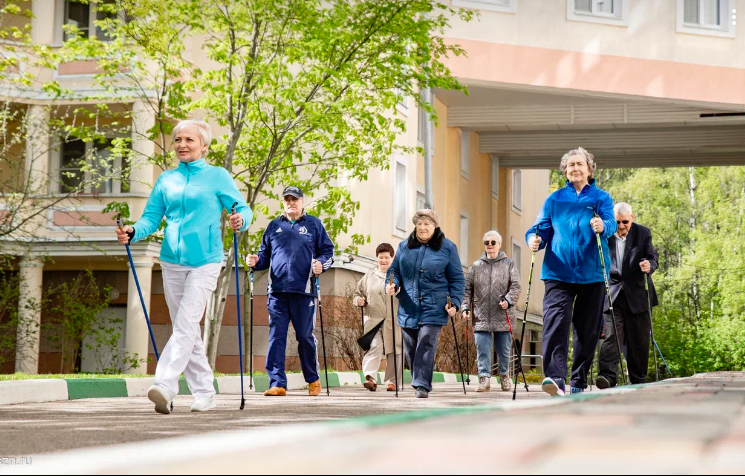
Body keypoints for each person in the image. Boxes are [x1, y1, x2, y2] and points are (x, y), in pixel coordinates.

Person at [116, 119, 253, 414]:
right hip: (171, 261)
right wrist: (133, 231)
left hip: (206, 260)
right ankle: (205, 392)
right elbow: (151, 218)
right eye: (178, 140)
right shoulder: (166, 180)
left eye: (189, 140)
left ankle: (165, 384)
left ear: (204, 145)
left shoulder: (217, 176)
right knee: (186, 329)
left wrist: (241, 219)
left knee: (185, 324)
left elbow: (241, 208)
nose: (182, 145)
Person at [526, 147, 617, 397]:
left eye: (580, 164)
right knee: (555, 324)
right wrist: (534, 240)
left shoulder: (601, 198)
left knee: (587, 330)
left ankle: (578, 379)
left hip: (592, 273)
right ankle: (555, 379)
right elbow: (540, 229)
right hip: (558, 272)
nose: (575, 168)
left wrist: (603, 225)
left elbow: (610, 224)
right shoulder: (554, 200)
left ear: (589, 169)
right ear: (565, 172)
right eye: (570, 165)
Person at [246, 186, 334, 397]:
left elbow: (328, 252)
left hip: (304, 291)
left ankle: (312, 380)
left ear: (302, 201)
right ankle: (277, 382)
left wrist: (321, 264)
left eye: (295, 199)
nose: (291, 203)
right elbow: (264, 255)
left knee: (304, 336)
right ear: (283, 202)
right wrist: (255, 261)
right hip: (277, 292)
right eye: (287, 199)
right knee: (277, 337)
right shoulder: (274, 226)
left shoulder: (314, 224)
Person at [386, 209, 465, 399]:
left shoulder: (448, 248)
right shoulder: (404, 246)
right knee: (411, 346)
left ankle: (422, 384)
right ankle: (418, 379)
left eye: (427, 224)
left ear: (435, 226)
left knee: (426, 342)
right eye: (419, 223)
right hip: (408, 306)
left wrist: (454, 302)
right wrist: (392, 284)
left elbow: (457, 279)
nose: (422, 227)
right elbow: (394, 271)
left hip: (435, 306)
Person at [596, 202, 659, 388]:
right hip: (612, 293)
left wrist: (649, 265)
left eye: (625, 221)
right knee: (611, 337)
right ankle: (607, 377)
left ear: (632, 218)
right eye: (617, 222)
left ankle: (638, 379)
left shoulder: (643, 233)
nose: (621, 226)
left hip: (638, 294)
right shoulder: (605, 234)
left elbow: (653, 256)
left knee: (638, 339)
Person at [461, 231, 521, 393]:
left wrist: (508, 300)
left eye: (493, 242)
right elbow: (467, 290)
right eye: (486, 242)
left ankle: (504, 378)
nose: (490, 245)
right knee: (482, 350)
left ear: (499, 245)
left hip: (503, 315)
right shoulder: (476, 266)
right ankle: (484, 379)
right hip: (480, 317)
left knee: (504, 350)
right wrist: (465, 308)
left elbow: (516, 286)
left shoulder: (509, 264)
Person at [353, 243, 403, 392]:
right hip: (373, 319)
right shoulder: (369, 275)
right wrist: (359, 301)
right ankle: (370, 378)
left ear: (392, 258)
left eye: (386, 257)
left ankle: (393, 382)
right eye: (380, 258)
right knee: (374, 346)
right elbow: (357, 294)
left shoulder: (398, 275)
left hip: (393, 320)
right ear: (377, 258)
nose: (383, 260)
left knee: (394, 349)